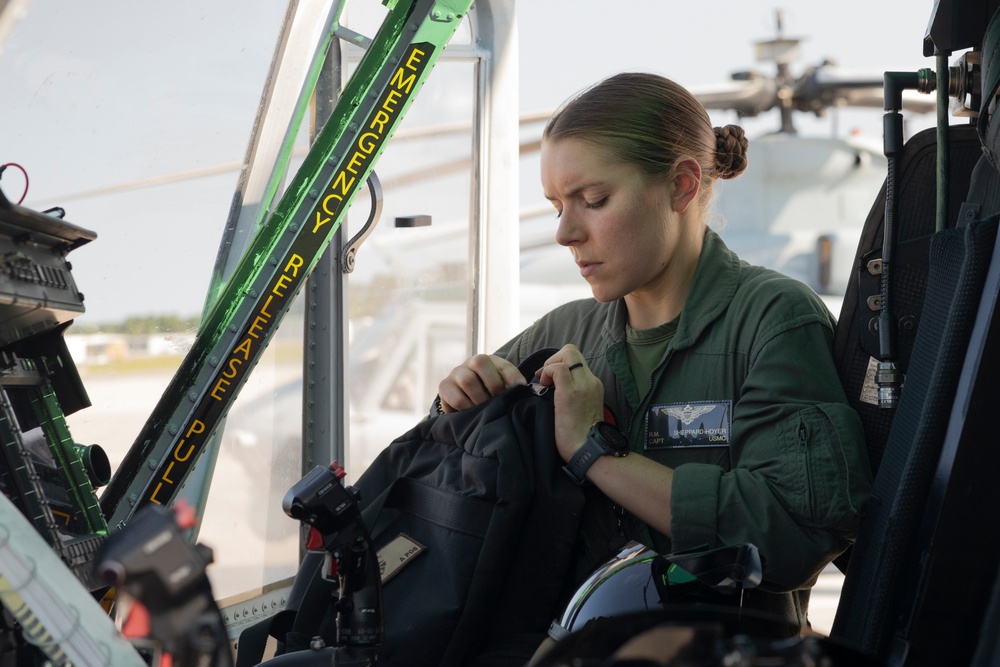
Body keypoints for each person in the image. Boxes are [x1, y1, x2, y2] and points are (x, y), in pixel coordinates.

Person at [436, 72, 872, 631]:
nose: (566, 231)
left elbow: (787, 538)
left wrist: (594, 451)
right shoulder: (568, 331)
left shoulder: (771, 321)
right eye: (556, 206)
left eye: (594, 200)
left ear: (683, 187)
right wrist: (456, 407)